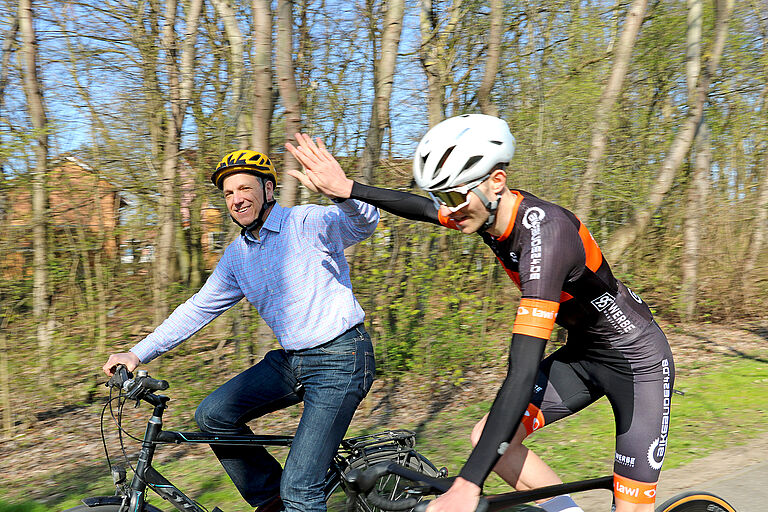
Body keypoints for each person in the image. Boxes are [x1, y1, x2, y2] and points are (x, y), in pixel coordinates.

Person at [285, 115, 675, 512]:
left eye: (451, 198)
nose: (446, 212)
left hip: (638, 363)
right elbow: (420, 209)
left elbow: (522, 373)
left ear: (497, 181)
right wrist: (347, 189)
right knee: (487, 438)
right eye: (440, 197)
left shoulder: (547, 237)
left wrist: (468, 484)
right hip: (583, 355)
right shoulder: (483, 212)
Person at [102, 148, 379, 512]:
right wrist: (137, 352)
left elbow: (364, 223)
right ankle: (272, 502)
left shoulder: (306, 221)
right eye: (229, 194)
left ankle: (296, 498)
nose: (236, 200)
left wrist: (341, 190)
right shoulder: (237, 256)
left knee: (302, 488)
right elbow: (197, 309)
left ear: (268, 189)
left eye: (244, 189)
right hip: (292, 360)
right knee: (213, 415)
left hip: (341, 358)